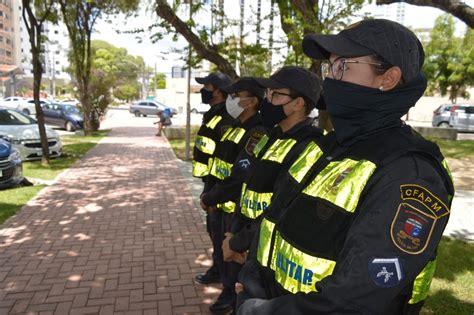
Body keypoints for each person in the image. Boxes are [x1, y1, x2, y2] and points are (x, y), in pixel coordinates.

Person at [236, 19, 454, 315]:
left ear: (387, 79)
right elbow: (277, 216)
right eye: (329, 67)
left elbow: (353, 301)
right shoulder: (326, 147)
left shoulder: (410, 172)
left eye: (342, 66)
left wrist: (259, 311)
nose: (330, 80)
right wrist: (253, 277)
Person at [221, 66, 325, 275]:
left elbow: (281, 207)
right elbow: (246, 186)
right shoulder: (269, 136)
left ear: (298, 103)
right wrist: (232, 233)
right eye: (268, 93)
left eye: (275, 94)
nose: (267, 100)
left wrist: (237, 243)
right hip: (245, 240)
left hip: (267, 252)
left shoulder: (309, 147)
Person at [200, 77, 266, 314]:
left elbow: (239, 176)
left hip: (233, 207)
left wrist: (210, 198)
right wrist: (210, 195)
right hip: (219, 204)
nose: (231, 100)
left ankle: (230, 295)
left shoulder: (257, 133)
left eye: (235, 96)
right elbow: (220, 164)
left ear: (251, 102)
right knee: (221, 250)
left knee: (232, 256)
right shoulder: (235, 126)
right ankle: (227, 289)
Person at [193, 72, 235, 286]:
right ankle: (218, 269)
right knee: (213, 235)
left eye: (207, 86)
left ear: (218, 91)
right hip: (211, 186)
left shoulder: (227, 119)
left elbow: (225, 161)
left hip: (220, 191)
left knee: (221, 238)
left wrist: (213, 194)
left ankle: (228, 290)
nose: (203, 90)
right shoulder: (213, 114)